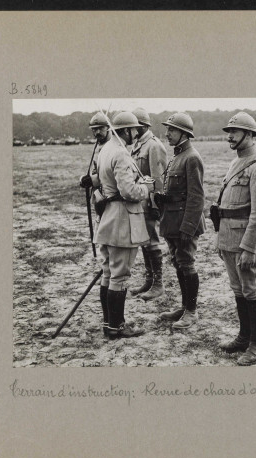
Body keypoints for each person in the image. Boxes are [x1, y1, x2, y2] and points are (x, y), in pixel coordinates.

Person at [214, 112, 256, 366]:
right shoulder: (236, 163)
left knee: (251, 290)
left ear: (250, 135)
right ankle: (244, 336)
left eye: (235, 131)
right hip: (229, 239)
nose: (230, 136)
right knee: (238, 290)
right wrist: (221, 240)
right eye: (229, 131)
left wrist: (249, 248)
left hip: (246, 243)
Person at [93, 111, 155, 339]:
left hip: (108, 220)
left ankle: (110, 322)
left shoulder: (105, 150)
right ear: (126, 131)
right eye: (134, 129)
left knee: (109, 274)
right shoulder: (120, 153)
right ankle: (116, 327)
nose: (136, 133)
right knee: (119, 276)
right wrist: (146, 188)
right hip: (122, 222)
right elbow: (128, 191)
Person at [156, 112, 205, 330]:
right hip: (172, 222)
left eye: (172, 130)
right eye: (167, 129)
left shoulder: (192, 157)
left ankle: (192, 312)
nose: (167, 134)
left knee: (186, 263)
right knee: (178, 263)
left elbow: (196, 196)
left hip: (184, 223)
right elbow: (175, 190)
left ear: (184, 133)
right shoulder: (177, 156)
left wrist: (188, 227)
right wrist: (162, 198)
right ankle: (185, 307)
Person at [129, 107, 169, 301]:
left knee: (152, 242)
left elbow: (158, 180)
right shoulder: (137, 145)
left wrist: (154, 205)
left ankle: (158, 284)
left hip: (149, 203)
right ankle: (149, 280)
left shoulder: (153, 146)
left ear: (142, 126)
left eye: (134, 126)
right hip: (139, 202)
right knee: (143, 242)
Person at [79, 112, 112, 336]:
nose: (97, 133)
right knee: (108, 266)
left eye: (100, 129)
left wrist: (96, 180)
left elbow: (111, 177)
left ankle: (113, 322)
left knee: (113, 270)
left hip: (113, 210)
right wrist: (89, 180)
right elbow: (99, 174)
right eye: (94, 130)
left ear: (109, 128)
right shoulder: (100, 149)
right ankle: (109, 320)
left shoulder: (117, 148)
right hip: (102, 208)